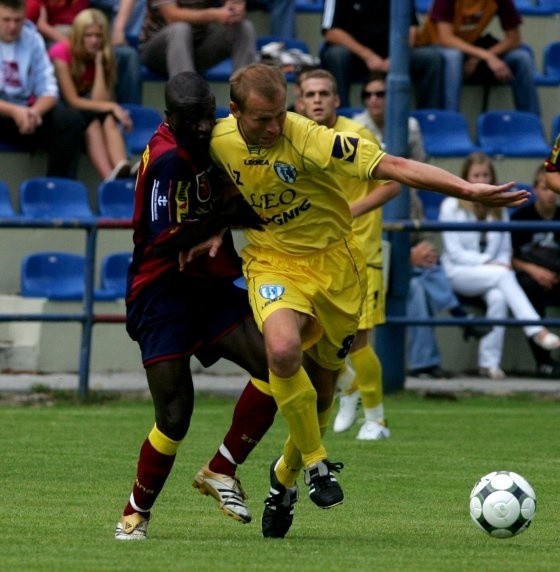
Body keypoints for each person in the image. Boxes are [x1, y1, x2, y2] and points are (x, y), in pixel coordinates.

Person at [207, 62, 529, 539]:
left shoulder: (308, 136)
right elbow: (168, 165)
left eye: (280, 115)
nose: (274, 127)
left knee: (322, 392)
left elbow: (393, 168)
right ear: (235, 112)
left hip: (337, 269)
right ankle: (317, 463)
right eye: (262, 119)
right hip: (273, 263)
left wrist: (465, 189)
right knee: (280, 350)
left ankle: (284, 478)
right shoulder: (216, 140)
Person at [114, 71, 279, 540]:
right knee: (175, 414)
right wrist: (224, 217)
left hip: (205, 287)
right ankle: (134, 514)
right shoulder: (167, 159)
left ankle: (220, 469)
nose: (205, 127)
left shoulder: (211, 140)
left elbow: (230, 199)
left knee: (275, 365)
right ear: (170, 119)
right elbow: (169, 241)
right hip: (161, 292)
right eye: (194, 120)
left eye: (209, 116)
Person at [353, 72, 490, 379]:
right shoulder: (356, 129)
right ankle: (454, 318)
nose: (375, 99)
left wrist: (421, 237)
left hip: (407, 219)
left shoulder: (410, 126)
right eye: (369, 94)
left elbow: (415, 179)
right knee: (414, 288)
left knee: (426, 272)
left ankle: (427, 359)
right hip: (371, 229)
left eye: (381, 93)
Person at [296, 68, 398, 440]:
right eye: (311, 94)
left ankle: (377, 419)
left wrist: (351, 211)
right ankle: (350, 392)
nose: (318, 99)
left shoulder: (357, 135)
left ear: (337, 100)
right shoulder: (297, 139)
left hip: (360, 253)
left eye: (325, 93)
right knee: (321, 339)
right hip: (317, 256)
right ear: (300, 101)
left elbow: (392, 184)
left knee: (359, 339)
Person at [439, 152, 560, 380]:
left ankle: (489, 364)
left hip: (493, 273)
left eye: (485, 174)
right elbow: (455, 253)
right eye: (476, 175)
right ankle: (536, 329)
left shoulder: (499, 207)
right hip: (458, 272)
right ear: (465, 177)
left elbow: (505, 249)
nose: (481, 179)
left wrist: (498, 264)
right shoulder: (451, 205)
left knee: (498, 297)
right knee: (502, 276)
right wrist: (490, 264)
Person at [0, 0, 83, 178]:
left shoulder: (32, 38)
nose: (12, 26)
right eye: (6, 20)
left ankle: (56, 188)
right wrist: (15, 111)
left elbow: (49, 89)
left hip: (29, 114)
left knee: (70, 120)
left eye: (17, 20)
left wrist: (35, 112)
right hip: (4, 112)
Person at [49, 9, 134, 181]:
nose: (94, 40)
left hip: (88, 107)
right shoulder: (61, 52)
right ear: (79, 35)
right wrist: (112, 106)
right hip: (64, 112)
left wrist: (100, 65)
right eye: (88, 35)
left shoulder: (104, 55)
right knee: (94, 120)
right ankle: (108, 177)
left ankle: (121, 166)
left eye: (98, 36)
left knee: (108, 117)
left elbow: (99, 101)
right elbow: (72, 100)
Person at [416, 0, 540, 115]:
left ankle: (533, 126)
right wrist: (485, 55)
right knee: (454, 56)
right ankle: (451, 124)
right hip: (435, 50)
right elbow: (446, 39)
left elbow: (514, 39)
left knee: (522, 57)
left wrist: (483, 56)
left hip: (471, 50)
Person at [319, 0, 444, 108]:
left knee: (430, 58)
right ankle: (341, 113)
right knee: (336, 55)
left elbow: (411, 28)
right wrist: (368, 56)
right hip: (356, 55)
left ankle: (429, 118)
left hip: (395, 54)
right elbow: (331, 31)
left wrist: (397, 57)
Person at [26, 0, 143, 104]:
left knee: (128, 55)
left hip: (88, 31)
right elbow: (41, 25)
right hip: (56, 35)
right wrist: (73, 43)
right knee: (57, 53)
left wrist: (118, 29)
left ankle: (131, 111)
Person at [510, 164, 560, 378]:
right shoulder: (521, 217)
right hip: (530, 276)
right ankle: (543, 363)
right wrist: (535, 270)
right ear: (536, 190)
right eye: (545, 188)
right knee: (528, 289)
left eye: (554, 189)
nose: (551, 194)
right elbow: (509, 258)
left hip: (557, 276)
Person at [139, 0, 257, 80]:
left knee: (244, 28)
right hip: (158, 50)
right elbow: (172, 16)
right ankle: (187, 108)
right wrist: (213, 15)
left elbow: (233, 4)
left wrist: (236, 7)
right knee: (180, 29)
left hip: (198, 44)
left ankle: (245, 102)